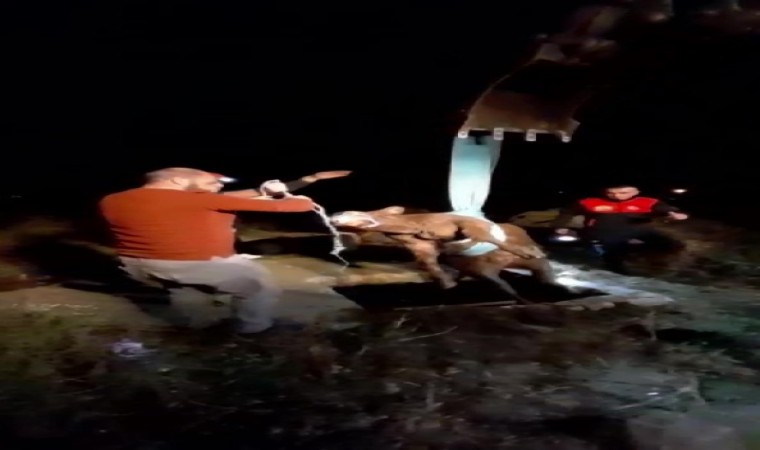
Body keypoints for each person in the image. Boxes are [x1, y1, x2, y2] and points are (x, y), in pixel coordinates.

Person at [98, 167, 316, 334]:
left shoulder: (112, 199)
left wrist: (261, 191)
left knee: (189, 289)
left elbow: (215, 199)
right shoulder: (198, 200)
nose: (218, 185)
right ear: (178, 180)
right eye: (211, 182)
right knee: (259, 286)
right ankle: (252, 330)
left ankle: (195, 321)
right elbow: (297, 206)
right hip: (191, 265)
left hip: (135, 264)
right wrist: (289, 195)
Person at [551, 184, 689, 274]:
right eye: (611, 193)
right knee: (614, 258)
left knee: (674, 245)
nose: (617, 196)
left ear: (636, 191)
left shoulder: (648, 202)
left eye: (623, 193)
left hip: (640, 231)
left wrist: (675, 214)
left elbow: (667, 209)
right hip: (604, 233)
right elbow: (567, 212)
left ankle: (667, 266)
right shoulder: (589, 202)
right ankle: (619, 274)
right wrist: (560, 226)